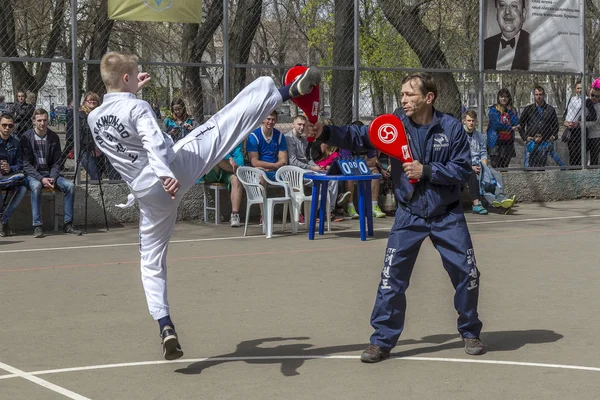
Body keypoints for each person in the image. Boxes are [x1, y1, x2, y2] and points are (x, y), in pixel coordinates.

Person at [87, 51, 321, 360]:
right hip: (172, 172)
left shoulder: (93, 116)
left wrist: (131, 94)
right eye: (135, 73)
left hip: (147, 195)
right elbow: (152, 142)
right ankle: (285, 91)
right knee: (222, 125)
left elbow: (122, 127)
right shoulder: (138, 107)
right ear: (127, 78)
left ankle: (165, 324)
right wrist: (164, 172)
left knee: (150, 261)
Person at [306, 72, 484, 363]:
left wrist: (426, 171)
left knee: (468, 275)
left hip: (447, 215)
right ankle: (381, 341)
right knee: (391, 279)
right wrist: (325, 131)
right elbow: (359, 136)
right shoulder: (393, 124)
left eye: (409, 94)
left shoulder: (451, 128)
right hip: (409, 215)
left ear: (429, 98)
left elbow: (463, 170)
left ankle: (470, 331)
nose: (403, 99)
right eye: (401, 94)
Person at [21, 109, 83, 238]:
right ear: (33, 121)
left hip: (50, 174)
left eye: (44, 120)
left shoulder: (53, 137)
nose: (42, 123)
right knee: (36, 187)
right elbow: (26, 164)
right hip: (34, 175)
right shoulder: (26, 137)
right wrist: (41, 178)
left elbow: (57, 162)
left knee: (70, 186)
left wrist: (53, 177)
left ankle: (68, 224)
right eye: (39, 120)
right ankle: (37, 226)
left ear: (48, 120)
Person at [200, 142, 245, 227]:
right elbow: (214, 148)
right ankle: (237, 170)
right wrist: (229, 158)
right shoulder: (217, 133)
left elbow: (239, 157)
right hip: (213, 170)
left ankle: (235, 215)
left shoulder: (238, 139)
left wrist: (237, 165)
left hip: (228, 171)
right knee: (218, 157)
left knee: (236, 179)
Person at [0, 113, 27, 236]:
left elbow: (20, 165)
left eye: (10, 125)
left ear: (13, 127)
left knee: (22, 187)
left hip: (10, 177)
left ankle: (3, 220)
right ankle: (3, 222)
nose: (7, 128)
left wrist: (10, 168)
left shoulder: (16, 142)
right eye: (4, 125)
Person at [483, 0, 530, 70]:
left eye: (514, 6)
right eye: (502, 5)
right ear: (496, 13)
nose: (507, 12)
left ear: (523, 14)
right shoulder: (486, 45)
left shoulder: (534, 43)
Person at [562, 80, 596, 166]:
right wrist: (565, 122)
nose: (579, 90)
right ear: (575, 89)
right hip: (571, 131)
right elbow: (566, 113)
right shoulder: (571, 99)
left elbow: (593, 116)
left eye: (581, 88)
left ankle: (579, 175)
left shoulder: (587, 100)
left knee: (579, 155)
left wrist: (580, 121)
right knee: (572, 155)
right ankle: (572, 174)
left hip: (581, 131)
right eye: (578, 88)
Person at [462, 111, 489, 214]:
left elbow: (483, 153)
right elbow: (458, 156)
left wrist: (484, 167)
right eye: (469, 120)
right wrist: (470, 166)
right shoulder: (459, 135)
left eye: (473, 121)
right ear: (464, 121)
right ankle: (476, 204)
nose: (471, 123)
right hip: (464, 165)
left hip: (478, 164)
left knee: (494, 174)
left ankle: (500, 199)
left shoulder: (480, 136)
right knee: (471, 173)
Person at [487, 88, 520, 168]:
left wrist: (510, 112)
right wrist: (510, 128)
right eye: (502, 96)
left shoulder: (512, 110)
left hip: (507, 142)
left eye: (506, 97)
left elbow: (516, 123)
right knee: (495, 167)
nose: (504, 99)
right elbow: (496, 125)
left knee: (504, 168)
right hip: (495, 141)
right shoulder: (493, 109)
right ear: (498, 97)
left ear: (509, 98)